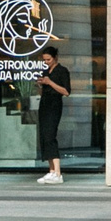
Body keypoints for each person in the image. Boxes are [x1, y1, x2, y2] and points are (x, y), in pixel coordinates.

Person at [34, 35, 70, 185]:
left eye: (48, 59)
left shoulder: (62, 71)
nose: (46, 62)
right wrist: (41, 85)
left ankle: (58, 172)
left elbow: (66, 91)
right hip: (44, 105)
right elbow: (44, 92)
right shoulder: (46, 72)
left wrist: (50, 82)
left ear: (55, 57)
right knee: (44, 136)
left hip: (54, 107)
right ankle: (51, 171)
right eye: (44, 60)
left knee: (50, 136)